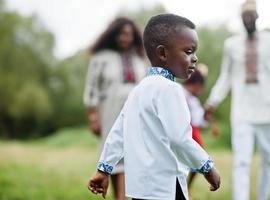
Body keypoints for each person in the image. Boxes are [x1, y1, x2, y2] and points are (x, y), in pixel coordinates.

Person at [87, 14, 221, 200]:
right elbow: (180, 138)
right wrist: (207, 166)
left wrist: (103, 169)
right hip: (165, 188)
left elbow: (118, 133)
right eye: (189, 51)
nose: (195, 59)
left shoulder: (138, 90)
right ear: (163, 53)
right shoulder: (171, 89)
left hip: (140, 189)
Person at [204, 0, 270, 200]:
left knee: (268, 159)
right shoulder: (231, 44)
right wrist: (212, 101)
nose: (248, 19)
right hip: (242, 111)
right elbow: (226, 76)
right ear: (240, 18)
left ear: (257, 16)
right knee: (241, 161)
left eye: (251, 16)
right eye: (244, 16)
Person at [83, 17, 146, 200]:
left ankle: (124, 196)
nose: (124, 38)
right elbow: (91, 88)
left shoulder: (139, 58)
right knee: (113, 155)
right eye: (120, 34)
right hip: (109, 112)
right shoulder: (100, 58)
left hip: (136, 114)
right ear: (113, 35)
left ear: (134, 36)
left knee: (132, 156)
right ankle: (120, 197)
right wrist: (93, 116)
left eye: (128, 34)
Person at [182, 65, 219, 196]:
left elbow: (199, 120)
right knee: (198, 156)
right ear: (197, 84)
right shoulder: (180, 93)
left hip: (190, 130)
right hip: (186, 131)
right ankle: (186, 186)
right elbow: (196, 120)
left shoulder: (192, 99)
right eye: (202, 87)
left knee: (195, 158)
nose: (202, 91)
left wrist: (206, 116)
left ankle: (187, 187)